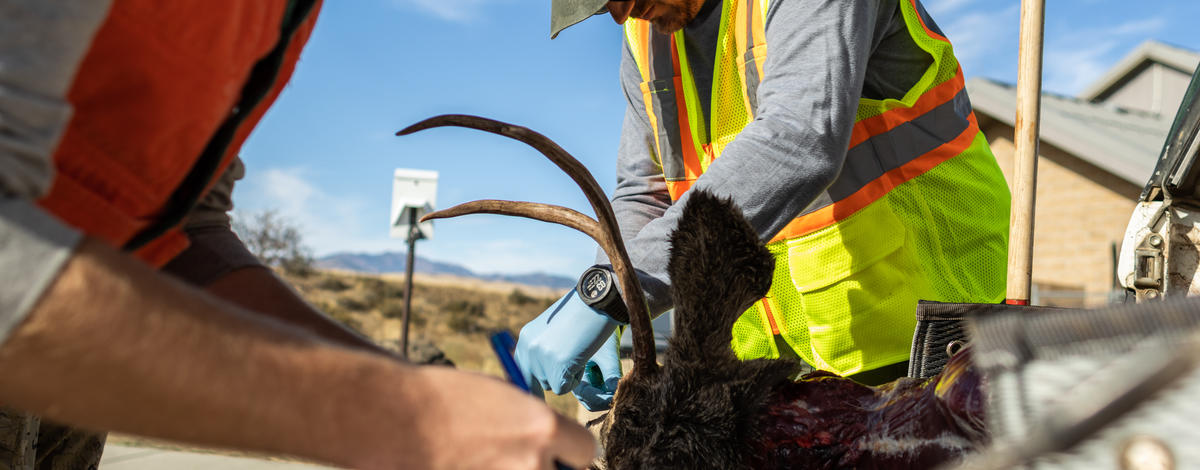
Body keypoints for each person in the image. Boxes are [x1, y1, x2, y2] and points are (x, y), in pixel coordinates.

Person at [0, 2, 595, 469]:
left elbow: (180, 231)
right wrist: (396, 414)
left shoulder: (275, 16)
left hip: (67, 353)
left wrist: (424, 400)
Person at [517, 0, 1010, 411]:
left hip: (925, 346)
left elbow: (801, 137)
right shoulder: (644, 38)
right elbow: (643, 191)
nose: (621, 14)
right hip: (772, 370)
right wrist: (612, 294)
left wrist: (618, 296)